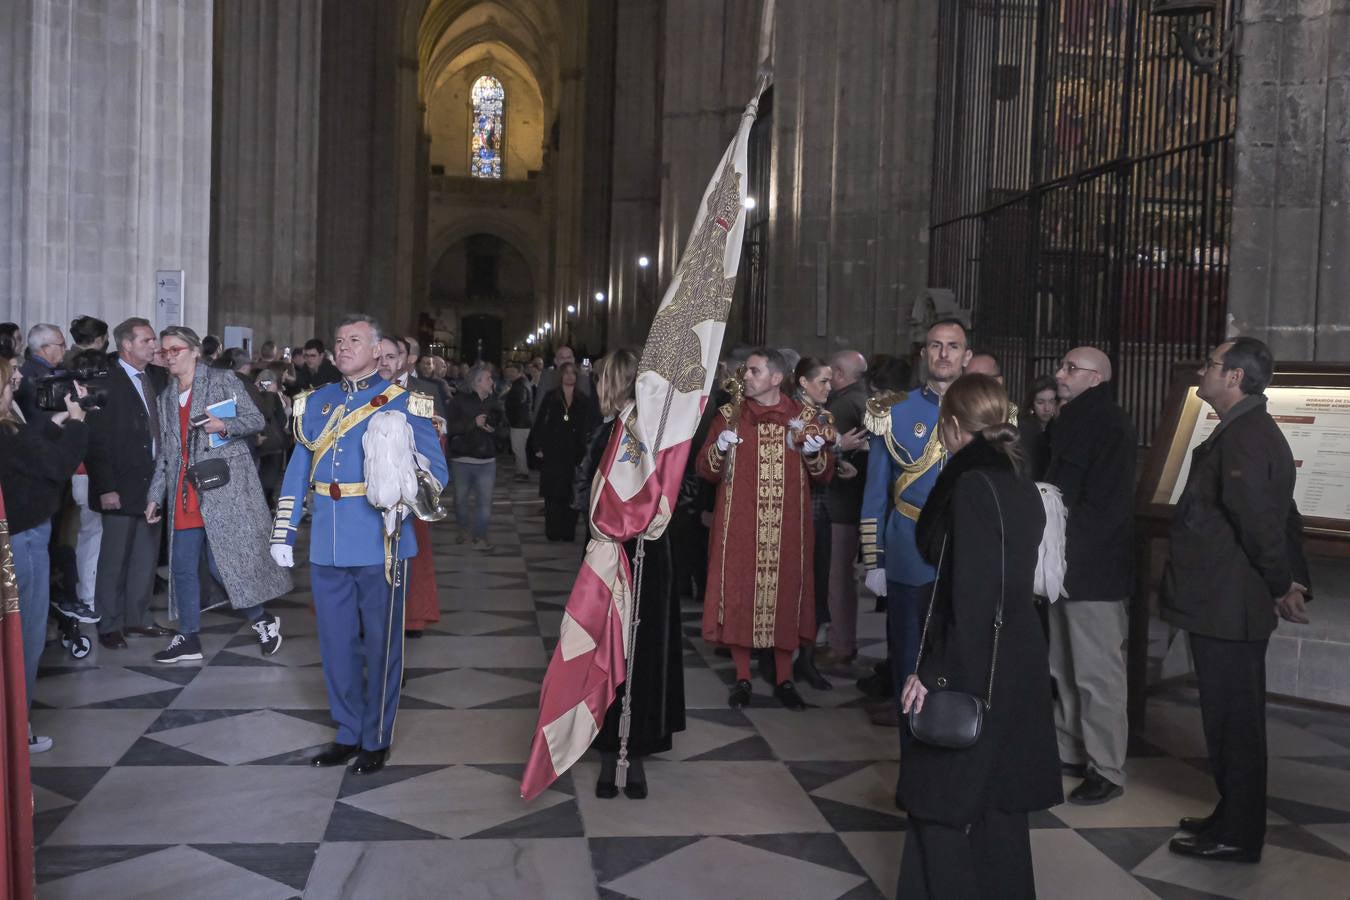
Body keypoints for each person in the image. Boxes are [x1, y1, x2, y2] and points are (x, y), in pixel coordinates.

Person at [897, 374, 1061, 899]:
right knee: (1000, 804)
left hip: (976, 658)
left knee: (937, 803)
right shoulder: (1019, 482)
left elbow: (968, 594)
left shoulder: (970, 486)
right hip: (1020, 653)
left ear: (950, 426)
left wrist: (932, 673)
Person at [271, 314, 447, 775]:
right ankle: (347, 731)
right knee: (335, 644)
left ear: (376, 351)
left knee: (382, 647)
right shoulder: (317, 402)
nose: (343, 346)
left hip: (381, 541)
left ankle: (376, 737)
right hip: (327, 542)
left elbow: (437, 476)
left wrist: (401, 486)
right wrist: (284, 532)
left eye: (354, 340)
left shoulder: (408, 403)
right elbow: (297, 471)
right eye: (339, 340)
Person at [1161, 337, 1311, 863]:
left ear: (1235, 378)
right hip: (1225, 600)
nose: (1202, 370)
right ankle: (1231, 814)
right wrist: (1291, 580)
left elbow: (1262, 524)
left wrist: (1281, 584)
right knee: (1227, 721)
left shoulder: (1247, 435)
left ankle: (1240, 834)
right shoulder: (1245, 429)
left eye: (1210, 364)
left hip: (1230, 603)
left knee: (1235, 725)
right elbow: (1281, 515)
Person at [697, 348, 832, 710]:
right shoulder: (728, 415)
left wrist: (812, 452)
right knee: (742, 596)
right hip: (740, 526)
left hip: (788, 529)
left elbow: (823, 474)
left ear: (776, 378)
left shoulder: (804, 417)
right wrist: (719, 449)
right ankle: (743, 677)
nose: (745, 377)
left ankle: (785, 679)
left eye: (754, 371)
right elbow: (705, 470)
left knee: (786, 597)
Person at [577, 350, 686, 799]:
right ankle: (608, 743)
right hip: (606, 551)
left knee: (642, 648)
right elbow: (584, 490)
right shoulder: (608, 431)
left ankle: (633, 745)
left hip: (645, 552)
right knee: (605, 644)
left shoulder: (651, 434)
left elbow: (678, 488)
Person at [144, 327, 289, 663]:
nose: (169, 356)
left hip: (224, 487)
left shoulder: (223, 380)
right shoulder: (166, 397)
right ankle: (189, 636)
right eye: (164, 352)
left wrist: (224, 426)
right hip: (184, 490)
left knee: (222, 564)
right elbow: (167, 453)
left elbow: (255, 420)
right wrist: (155, 494)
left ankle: (262, 620)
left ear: (195, 351)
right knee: (181, 565)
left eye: (175, 349)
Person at [860, 319, 970, 735]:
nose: (944, 354)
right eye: (936, 346)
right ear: (924, 354)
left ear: (966, 356)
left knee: (963, 657)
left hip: (967, 553)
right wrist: (875, 559)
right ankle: (913, 757)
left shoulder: (992, 411)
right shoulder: (892, 411)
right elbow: (875, 493)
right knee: (909, 658)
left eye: (953, 346)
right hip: (908, 551)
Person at [1044, 345, 1137, 805]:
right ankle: (1070, 749)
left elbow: (1103, 506)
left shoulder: (1108, 423)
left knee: (1097, 673)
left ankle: (1107, 767)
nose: (1060, 373)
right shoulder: (1073, 419)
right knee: (1063, 665)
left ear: (1095, 378)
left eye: (1069, 368)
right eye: (1063, 366)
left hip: (1091, 568)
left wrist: (1066, 552)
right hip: (1064, 564)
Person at [0, 357, 89, 753]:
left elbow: (27, 448)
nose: (14, 388)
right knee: (27, 637)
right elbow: (53, 465)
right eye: (8, 385)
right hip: (22, 538)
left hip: (23, 532)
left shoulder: (9, 427)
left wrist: (53, 423)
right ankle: (18, 732)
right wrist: (77, 423)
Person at [85, 318, 172, 648]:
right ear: (127, 345)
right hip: (119, 485)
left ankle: (138, 617)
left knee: (145, 557)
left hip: (152, 484)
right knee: (114, 560)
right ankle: (109, 622)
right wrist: (106, 486)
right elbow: (96, 440)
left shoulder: (154, 377)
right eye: (147, 340)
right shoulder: (105, 381)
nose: (154, 346)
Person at [375, 336, 443, 637]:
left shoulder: (424, 391)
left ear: (406, 358)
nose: (387, 361)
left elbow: (437, 436)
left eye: (394, 355)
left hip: (409, 488)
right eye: (382, 355)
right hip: (369, 489)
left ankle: (411, 616)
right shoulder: (362, 389)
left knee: (409, 553)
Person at [821, 350, 870, 672]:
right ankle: (839, 640)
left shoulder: (843, 404)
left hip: (840, 504)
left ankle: (840, 645)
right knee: (838, 576)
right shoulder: (862, 399)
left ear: (839, 373)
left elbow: (823, 444)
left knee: (837, 577)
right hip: (850, 502)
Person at [791, 356, 836, 690]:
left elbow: (827, 466)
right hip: (791, 511)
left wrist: (840, 460)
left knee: (817, 584)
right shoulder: (786, 414)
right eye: (822, 381)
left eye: (831, 381)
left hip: (820, 510)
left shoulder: (825, 416)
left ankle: (806, 658)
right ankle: (779, 659)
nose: (829, 387)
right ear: (803, 383)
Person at [531, 362, 597, 542]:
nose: (569, 377)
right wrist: (538, 447)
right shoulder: (551, 397)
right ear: (560, 376)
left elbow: (587, 426)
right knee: (553, 494)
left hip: (574, 453)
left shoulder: (582, 399)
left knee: (570, 492)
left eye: (573, 374)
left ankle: (568, 532)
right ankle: (553, 531)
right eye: (566, 373)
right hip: (553, 451)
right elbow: (540, 423)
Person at [445, 364, 506, 550]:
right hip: (463, 459)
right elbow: (450, 428)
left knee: (485, 502)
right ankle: (463, 530)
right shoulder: (459, 401)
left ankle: (480, 536)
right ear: (477, 381)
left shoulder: (495, 402)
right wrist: (473, 423)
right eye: (488, 378)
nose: (492, 382)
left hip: (487, 459)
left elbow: (505, 430)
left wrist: (495, 430)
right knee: (461, 500)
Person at [532, 345, 591, 419]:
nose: (566, 360)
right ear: (555, 361)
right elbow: (539, 405)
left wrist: (584, 376)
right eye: (562, 358)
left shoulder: (581, 376)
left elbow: (587, 403)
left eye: (569, 357)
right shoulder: (548, 377)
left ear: (573, 359)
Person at [1018, 374, 1057, 480]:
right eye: (1040, 402)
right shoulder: (1024, 430)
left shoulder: (1057, 427)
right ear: (1032, 404)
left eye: (1051, 401)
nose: (1047, 408)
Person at [502, 363, 533, 481]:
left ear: (518, 371)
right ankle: (521, 471)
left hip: (520, 421)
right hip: (521, 421)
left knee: (518, 448)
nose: (509, 374)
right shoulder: (521, 382)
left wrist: (507, 403)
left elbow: (520, 400)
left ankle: (523, 472)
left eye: (511, 371)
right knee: (519, 447)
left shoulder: (520, 384)